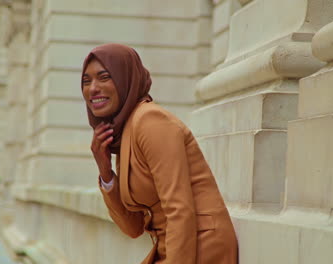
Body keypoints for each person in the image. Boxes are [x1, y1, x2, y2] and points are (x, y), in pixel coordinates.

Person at [81, 43, 238, 264]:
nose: (93, 88)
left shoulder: (150, 121)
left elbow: (180, 210)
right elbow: (133, 228)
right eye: (86, 81)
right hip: (172, 247)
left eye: (104, 77)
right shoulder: (125, 133)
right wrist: (106, 173)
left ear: (125, 78)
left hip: (200, 247)